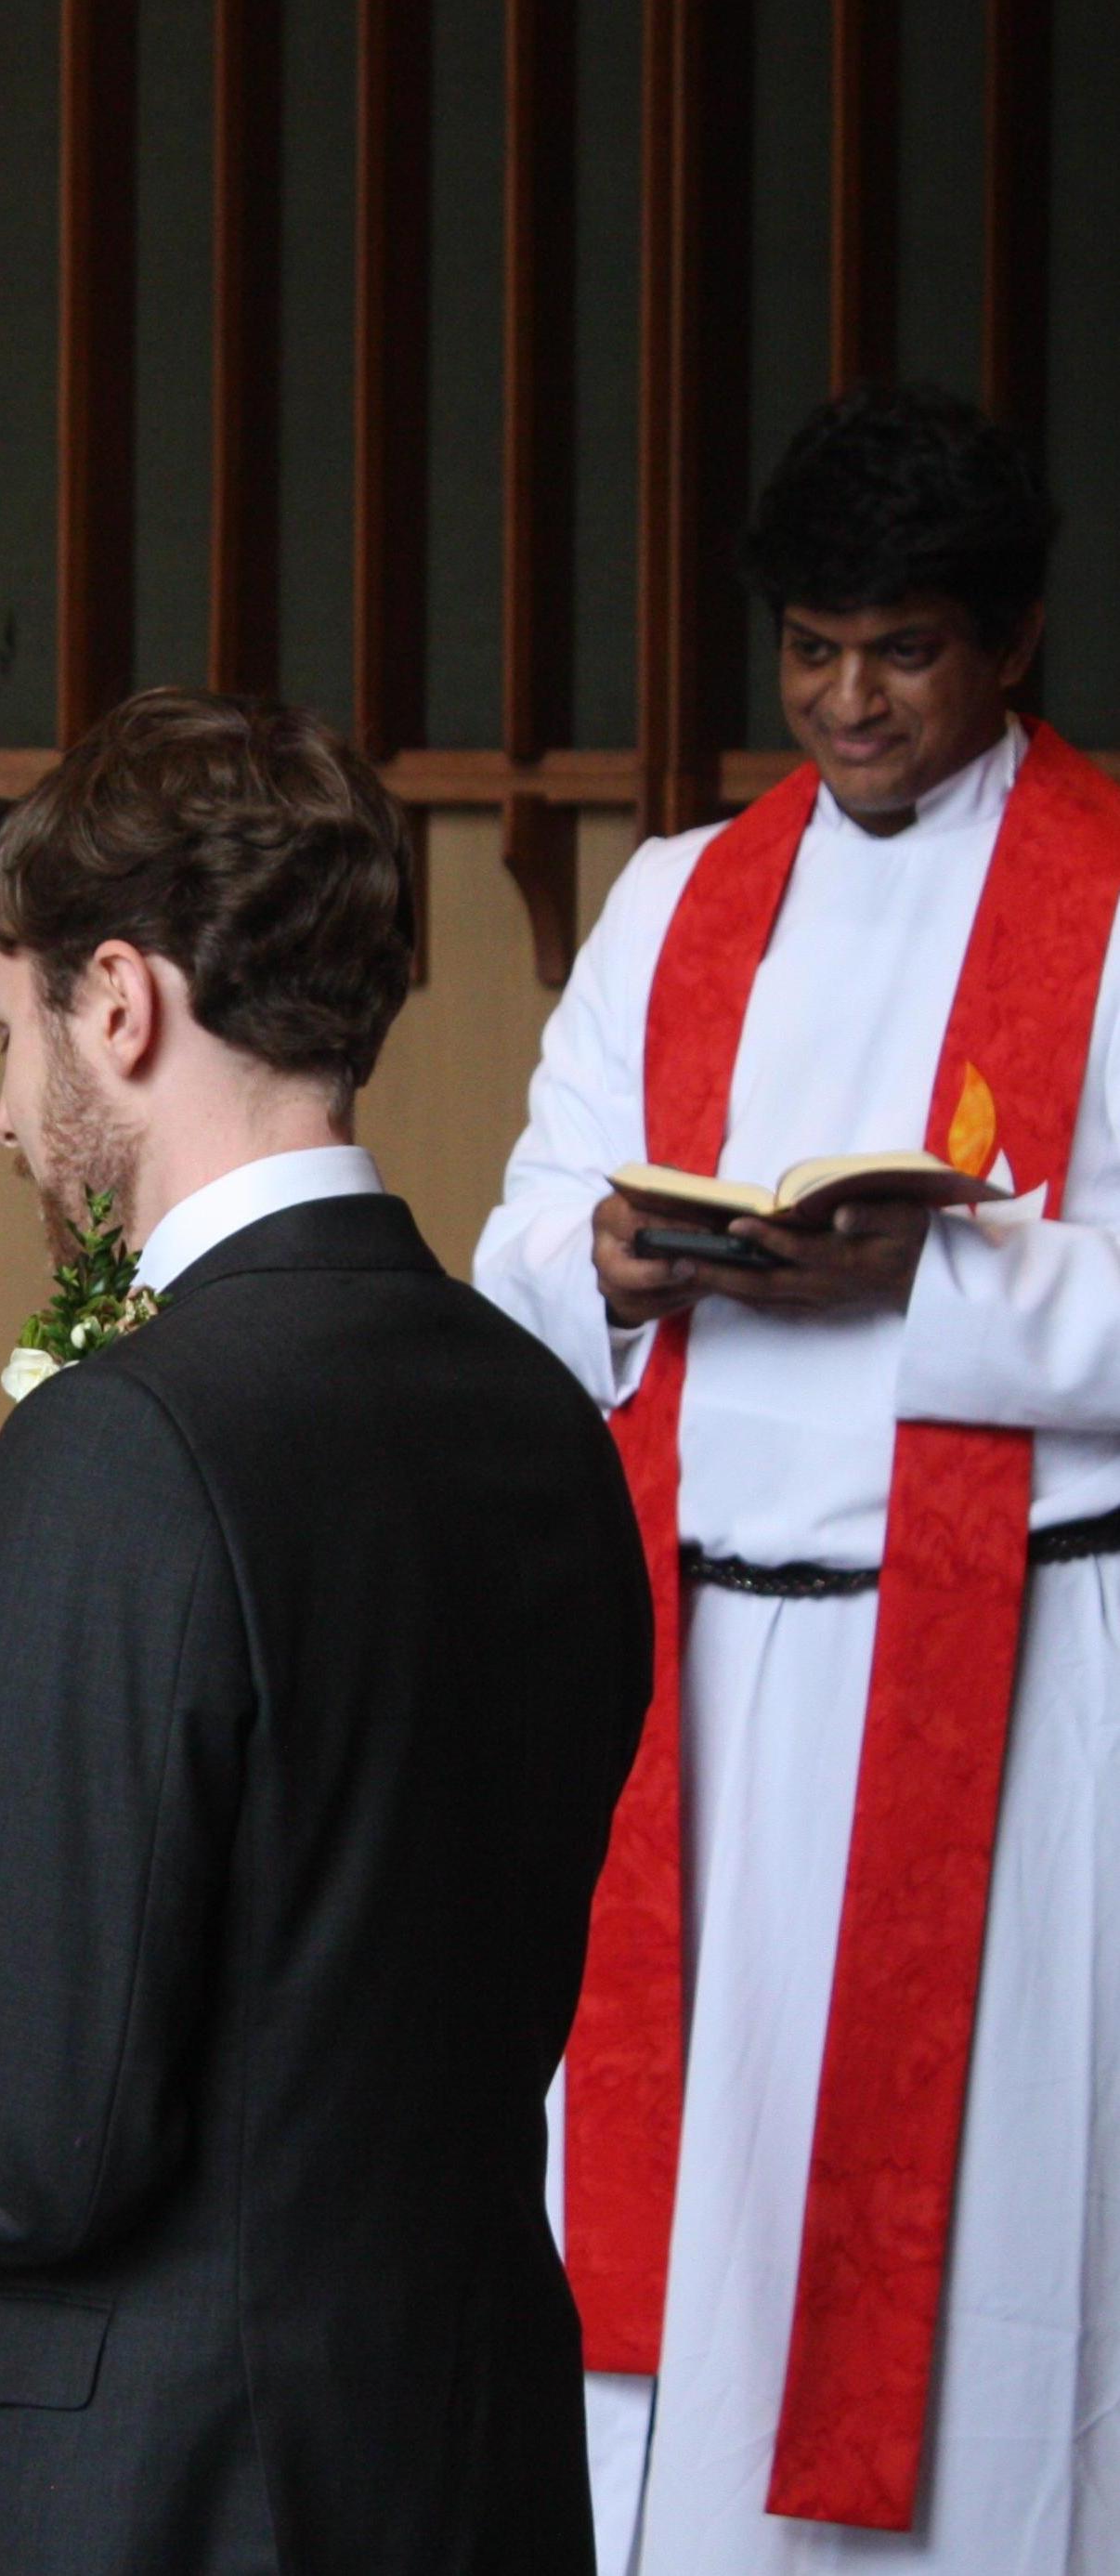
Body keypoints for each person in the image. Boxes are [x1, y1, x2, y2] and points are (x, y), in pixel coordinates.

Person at [0, 689, 652, 2575]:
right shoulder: (540, 1415)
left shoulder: (126, 1438)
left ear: (117, 1003)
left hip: (189, 2486)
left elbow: (34, 2155)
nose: (10, 1113)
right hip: (468, 2449)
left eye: (3, 1037)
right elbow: (294, 2020)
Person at [475, 383, 1120, 2575]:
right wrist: (612, 1257)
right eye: (810, 648)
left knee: (985, 2219)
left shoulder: (1107, 897)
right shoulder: (679, 899)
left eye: (902, 650)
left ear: (1011, 639)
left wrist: (929, 1280)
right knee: (694, 2205)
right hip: (700, 1684)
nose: (845, 700)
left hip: (1006, 1678)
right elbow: (517, 1229)